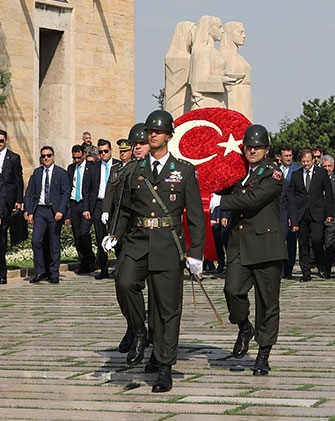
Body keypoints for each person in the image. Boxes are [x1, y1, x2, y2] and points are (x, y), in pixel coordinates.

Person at [109, 109, 205, 393]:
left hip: (167, 244)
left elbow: (196, 216)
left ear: (169, 136)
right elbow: (124, 208)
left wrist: (196, 253)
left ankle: (164, 365)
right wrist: (114, 234)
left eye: (158, 131)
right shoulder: (134, 170)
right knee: (124, 282)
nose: (153, 134)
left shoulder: (184, 171)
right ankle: (139, 330)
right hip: (137, 241)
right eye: (150, 130)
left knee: (167, 309)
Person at [217, 124, 287, 376]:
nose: (252, 150)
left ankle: (263, 353)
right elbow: (215, 179)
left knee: (267, 302)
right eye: (249, 146)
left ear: (267, 150)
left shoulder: (273, 174)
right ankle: (245, 327)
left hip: (266, 247)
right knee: (232, 290)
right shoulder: (237, 173)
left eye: (258, 146)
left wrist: (220, 202)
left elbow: (253, 199)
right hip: (239, 244)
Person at [25, 146, 70, 285]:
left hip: (54, 212)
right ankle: (40, 271)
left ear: (53, 156)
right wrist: (29, 211)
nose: (46, 158)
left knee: (54, 243)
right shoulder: (37, 173)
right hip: (40, 211)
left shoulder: (61, 173)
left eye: (48, 155)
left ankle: (54, 273)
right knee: (36, 240)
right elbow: (30, 194)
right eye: (43, 156)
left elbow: (65, 193)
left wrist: (61, 211)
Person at [288, 149, 334, 282]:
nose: (305, 164)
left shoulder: (321, 173)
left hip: (317, 213)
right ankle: (305, 272)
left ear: (313, 160)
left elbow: (329, 193)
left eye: (308, 161)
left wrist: (329, 213)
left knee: (316, 240)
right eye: (303, 161)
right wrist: (293, 217)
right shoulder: (296, 175)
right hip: (302, 213)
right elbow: (291, 196)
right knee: (303, 244)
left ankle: (320, 264)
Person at [67, 144, 99, 274]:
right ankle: (84, 262)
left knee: (83, 233)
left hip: (85, 205)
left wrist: (88, 208)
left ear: (84, 155)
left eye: (79, 157)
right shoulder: (71, 168)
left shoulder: (91, 168)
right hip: (74, 204)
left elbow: (92, 190)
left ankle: (91, 259)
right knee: (77, 236)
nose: (76, 160)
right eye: (74, 158)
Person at [92, 139, 119, 279]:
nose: (103, 154)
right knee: (100, 237)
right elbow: (89, 188)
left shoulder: (118, 165)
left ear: (110, 150)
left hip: (115, 205)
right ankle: (103, 268)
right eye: (101, 152)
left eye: (105, 151)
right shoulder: (95, 167)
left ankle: (119, 267)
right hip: (99, 204)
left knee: (116, 236)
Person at [0, 129, 23, 285]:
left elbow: (18, 180)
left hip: (6, 202)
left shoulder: (13, 158)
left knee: (2, 237)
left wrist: (19, 200)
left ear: (6, 141)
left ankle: (2, 273)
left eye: (1, 140)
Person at [277, 145, 300, 279]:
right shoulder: (274, 171)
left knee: (291, 241)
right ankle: (279, 268)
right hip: (279, 211)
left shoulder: (297, 170)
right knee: (279, 242)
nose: (288, 158)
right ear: (280, 157)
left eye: (290, 155)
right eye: (286, 156)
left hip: (293, 210)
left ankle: (289, 268)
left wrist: (293, 215)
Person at [321, 155, 335, 278]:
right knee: (317, 241)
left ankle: (327, 268)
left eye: (329, 166)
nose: (327, 169)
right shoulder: (317, 178)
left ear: (333, 167)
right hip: (318, 214)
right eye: (325, 166)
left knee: (329, 242)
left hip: (332, 215)